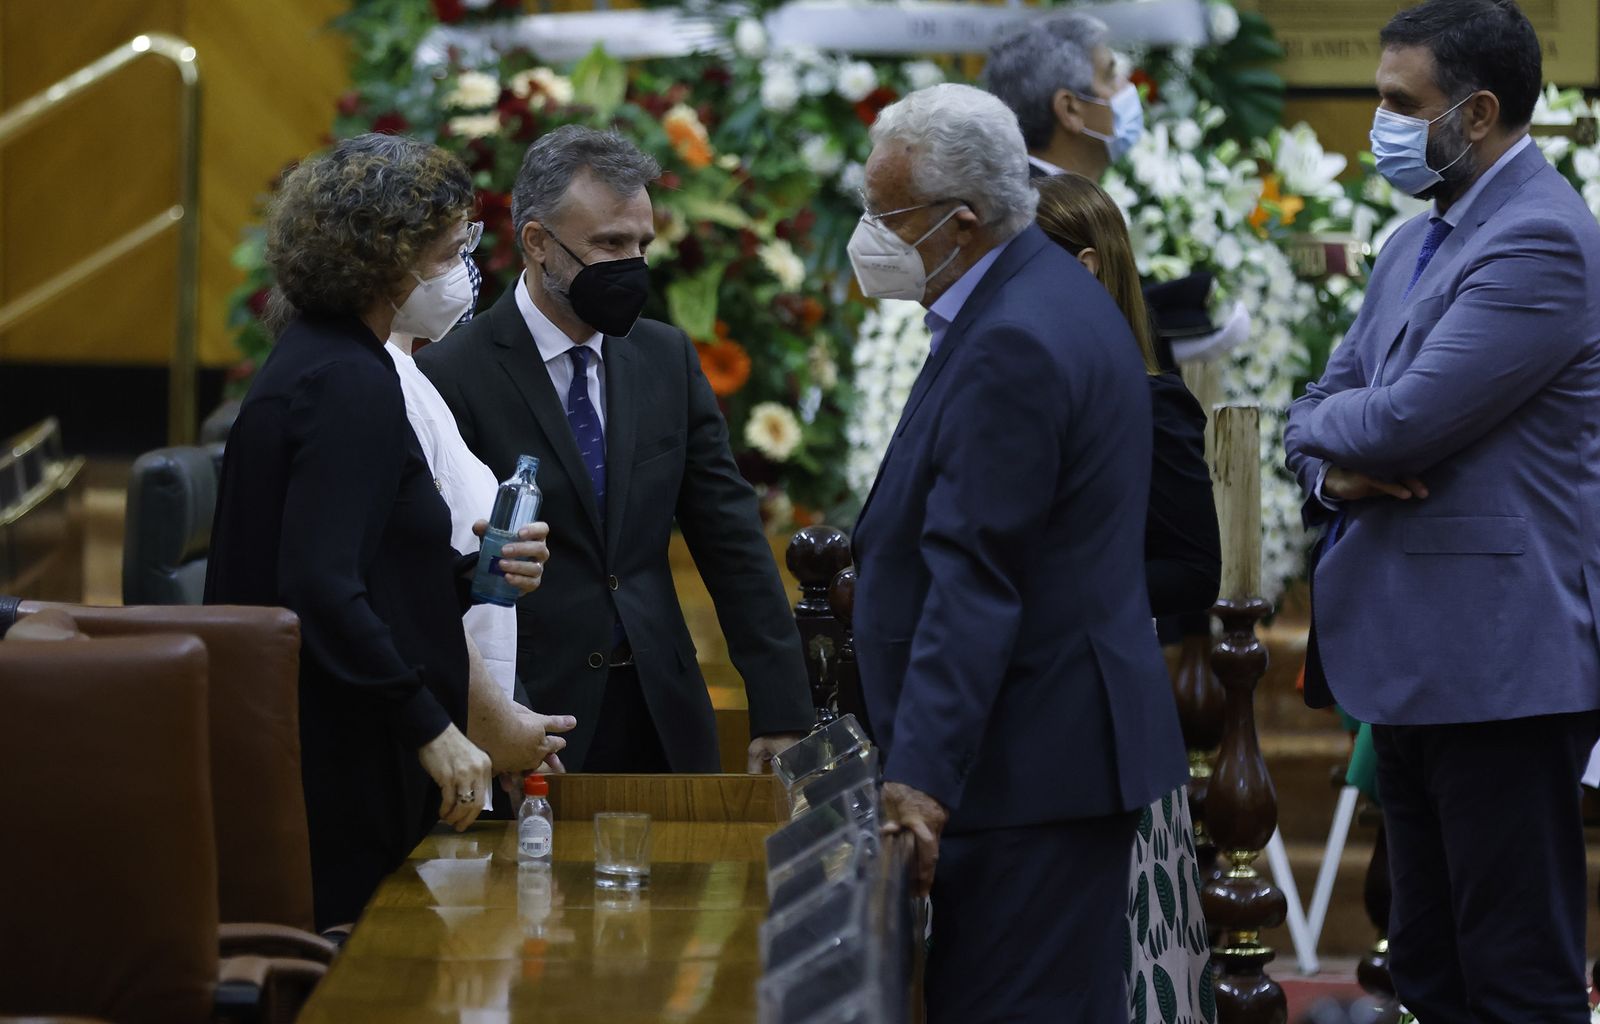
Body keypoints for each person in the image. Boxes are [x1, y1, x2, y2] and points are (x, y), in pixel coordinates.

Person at [1283, 2, 1600, 1019]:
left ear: (1478, 114)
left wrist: (1336, 434)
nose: (1379, 124)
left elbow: (1399, 422)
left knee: (1513, 977)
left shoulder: (1540, 238)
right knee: (1429, 968)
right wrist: (1329, 467)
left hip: (1499, 662)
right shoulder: (1413, 242)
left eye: (1397, 102)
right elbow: (1313, 409)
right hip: (1416, 658)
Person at [846, 83, 1188, 1021]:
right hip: (1047, 752)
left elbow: (976, 577)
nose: (870, 236)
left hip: (1025, 762)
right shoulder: (1043, 292)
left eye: (886, 215)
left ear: (960, 222)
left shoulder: (1014, 339)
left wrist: (920, 775)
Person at [205, 134, 560, 930]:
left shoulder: (323, 359)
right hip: (337, 758)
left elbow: (361, 564)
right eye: (448, 250)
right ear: (383, 260)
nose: (462, 267)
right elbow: (318, 589)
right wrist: (433, 728)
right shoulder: (349, 384)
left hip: (317, 738)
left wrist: (470, 575)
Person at [418, 126, 813, 774]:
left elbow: (731, 537)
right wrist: (501, 724)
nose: (632, 263)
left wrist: (782, 709)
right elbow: (435, 578)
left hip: (663, 710)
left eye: (642, 244)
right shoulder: (451, 374)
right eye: (610, 244)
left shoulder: (665, 356)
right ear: (538, 242)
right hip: (534, 717)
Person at [1035, 172, 1219, 1023]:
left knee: (1126, 960)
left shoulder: (1150, 400)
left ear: (1082, 267)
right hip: (1032, 714)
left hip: (1105, 707)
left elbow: (1193, 568)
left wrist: (1064, 592)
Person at [386, 257, 575, 805]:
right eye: (449, 250)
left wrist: (482, 569)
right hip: (432, 734)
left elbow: (434, 566)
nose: (462, 270)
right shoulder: (376, 379)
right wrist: (495, 726)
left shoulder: (409, 372)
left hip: (467, 715)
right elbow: (398, 588)